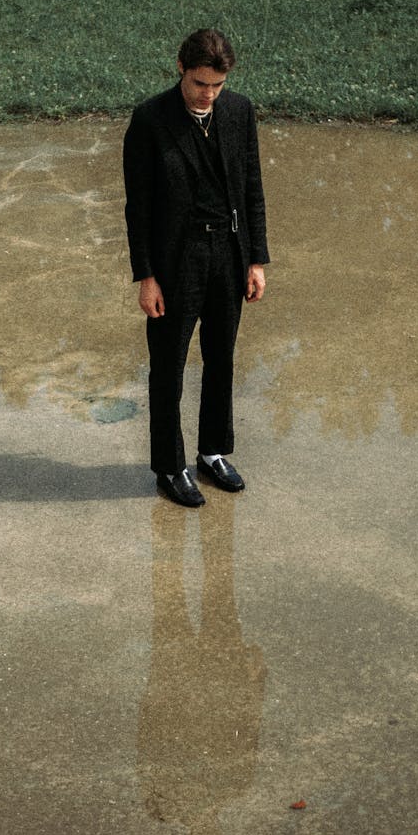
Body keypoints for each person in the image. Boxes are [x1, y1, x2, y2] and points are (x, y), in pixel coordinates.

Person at [123, 29, 269, 507]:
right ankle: (169, 465)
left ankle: (211, 453)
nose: (208, 94)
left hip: (227, 256)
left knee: (221, 358)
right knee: (168, 366)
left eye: (217, 86)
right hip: (174, 262)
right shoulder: (149, 121)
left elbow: (252, 190)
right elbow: (138, 208)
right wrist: (146, 276)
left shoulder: (239, 112)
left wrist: (256, 259)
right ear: (181, 70)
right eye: (200, 83)